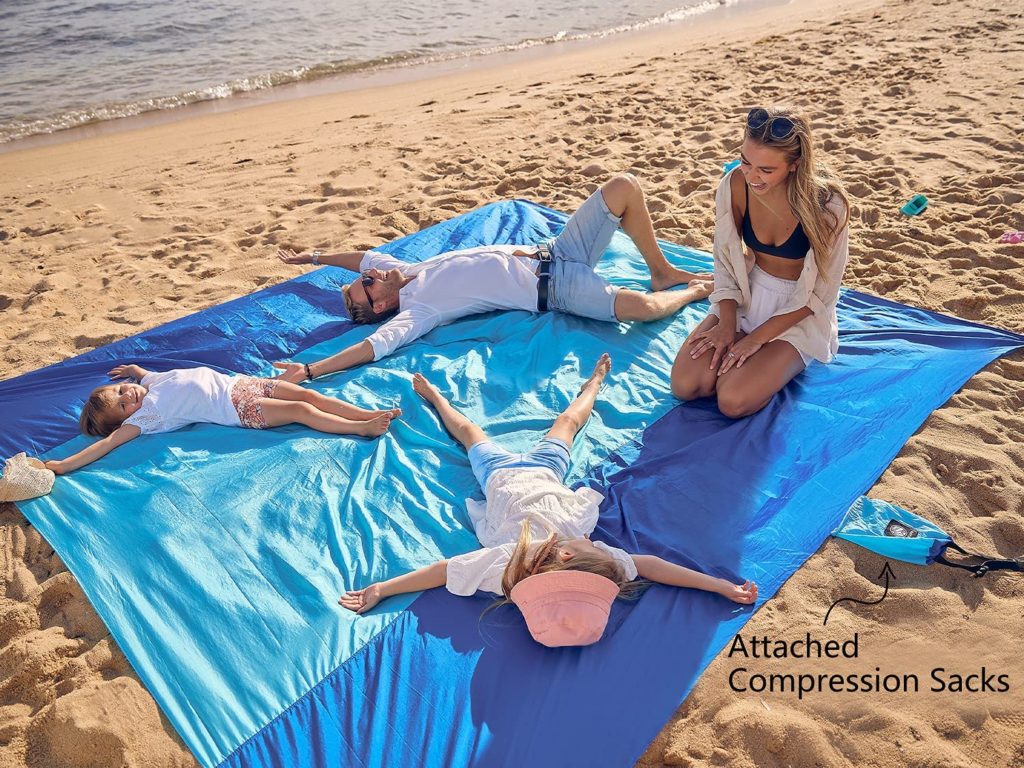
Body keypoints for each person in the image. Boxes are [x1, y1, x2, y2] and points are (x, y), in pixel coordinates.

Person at [339, 354, 757, 648]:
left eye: (591, 548)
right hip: (546, 469)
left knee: (467, 431)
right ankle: (592, 384)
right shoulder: (587, 549)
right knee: (568, 422)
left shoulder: (509, 560)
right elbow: (652, 567)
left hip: (498, 472)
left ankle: (437, 399)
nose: (600, 544)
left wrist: (382, 588)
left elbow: (440, 570)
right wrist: (718, 585)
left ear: (565, 558)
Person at [273, 174, 713, 383]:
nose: (370, 274)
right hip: (557, 291)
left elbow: (361, 256)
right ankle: (691, 289)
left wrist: (313, 256)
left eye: (365, 277)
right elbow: (370, 348)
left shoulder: (402, 272)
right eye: (366, 285)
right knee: (644, 310)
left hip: (557, 251)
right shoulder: (418, 311)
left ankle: (661, 270)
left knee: (624, 186)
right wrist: (311, 368)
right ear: (381, 306)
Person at [671, 107, 851, 418]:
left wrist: (755, 339)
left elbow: (822, 294)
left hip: (798, 311)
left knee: (732, 401)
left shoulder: (827, 207)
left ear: (795, 165)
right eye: (745, 161)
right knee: (687, 385)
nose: (752, 176)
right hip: (746, 296)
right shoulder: (734, 185)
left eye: (766, 170)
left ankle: (772, 360)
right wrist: (727, 325)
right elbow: (725, 261)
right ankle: (747, 355)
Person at [43, 364, 400, 475]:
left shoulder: (148, 383)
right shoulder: (149, 416)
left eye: (121, 390)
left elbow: (140, 373)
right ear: (125, 420)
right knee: (301, 412)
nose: (128, 397)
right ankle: (361, 428)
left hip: (242, 384)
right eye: (122, 407)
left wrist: (133, 370)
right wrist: (62, 464)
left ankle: (366, 413)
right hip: (236, 410)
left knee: (309, 394)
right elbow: (108, 443)